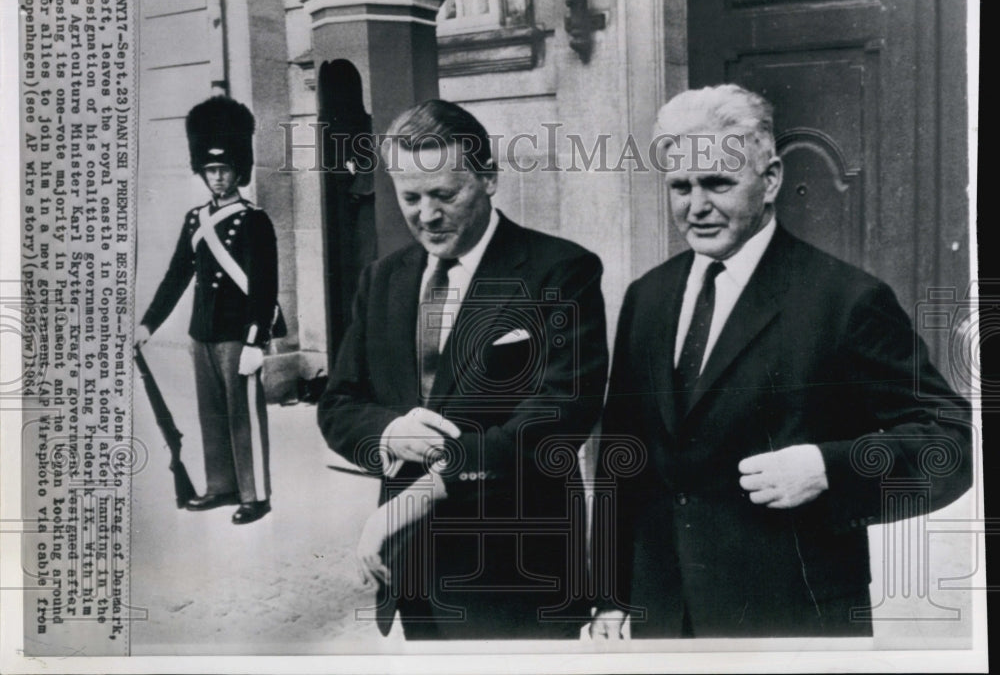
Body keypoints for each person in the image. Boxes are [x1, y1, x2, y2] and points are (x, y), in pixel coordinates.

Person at [590, 84, 973, 638]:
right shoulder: (647, 296)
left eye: (718, 182)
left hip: (794, 620)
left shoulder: (846, 300)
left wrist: (829, 467)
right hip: (665, 620)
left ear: (769, 180)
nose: (696, 206)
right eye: (680, 186)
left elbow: (949, 442)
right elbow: (621, 454)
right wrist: (610, 596)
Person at [317, 99, 609, 639]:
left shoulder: (562, 271)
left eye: (445, 195)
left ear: (490, 177)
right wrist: (389, 432)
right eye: (410, 197)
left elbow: (556, 420)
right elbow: (338, 405)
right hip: (412, 574)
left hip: (518, 579)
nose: (426, 216)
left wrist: (413, 500)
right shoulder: (381, 280)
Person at [135, 95, 280, 526]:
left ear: (240, 171)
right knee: (211, 413)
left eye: (225, 170)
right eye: (211, 170)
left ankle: (255, 495)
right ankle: (221, 486)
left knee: (243, 415)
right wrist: (147, 323)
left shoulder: (255, 221)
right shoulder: (195, 220)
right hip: (204, 332)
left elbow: (264, 288)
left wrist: (257, 339)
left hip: (239, 333)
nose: (218, 178)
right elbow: (176, 276)